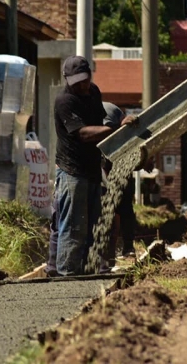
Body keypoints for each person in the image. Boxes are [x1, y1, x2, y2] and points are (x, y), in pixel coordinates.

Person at [47, 55, 136, 276]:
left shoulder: (93, 92)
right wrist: (117, 127)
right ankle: (67, 272)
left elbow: (100, 123)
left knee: (93, 224)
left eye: (85, 79)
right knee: (73, 224)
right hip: (72, 170)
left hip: (92, 169)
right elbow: (84, 133)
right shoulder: (65, 102)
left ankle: (88, 269)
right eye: (76, 81)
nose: (82, 85)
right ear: (67, 80)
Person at [102, 102, 137, 260]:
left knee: (124, 209)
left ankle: (128, 247)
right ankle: (106, 253)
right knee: (106, 212)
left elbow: (137, 145)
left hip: (121, 169)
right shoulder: (96, 120)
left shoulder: (122, 126)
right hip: (102, 171)